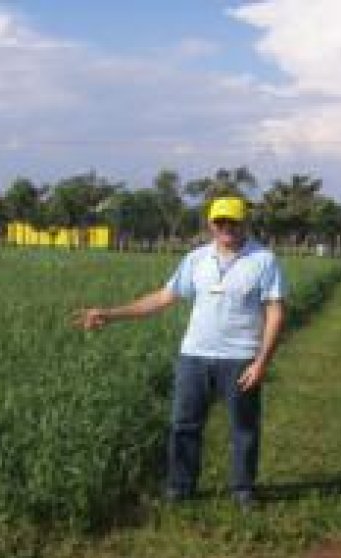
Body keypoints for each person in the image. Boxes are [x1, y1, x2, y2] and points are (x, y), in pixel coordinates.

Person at [75, 196, 286, 509]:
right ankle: (180, 487)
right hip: (194, 357)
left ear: (245, 223)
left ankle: (243, 490)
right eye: (220, 222)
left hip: (240, 358)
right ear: (211, 224)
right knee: (183, 425)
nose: (226, 228)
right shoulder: (196, 259)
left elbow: (275, 313)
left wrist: (261, 363)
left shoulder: (263, 261)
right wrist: (111, 314)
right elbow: (162, 298)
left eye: (233, 222)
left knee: (243, 428)